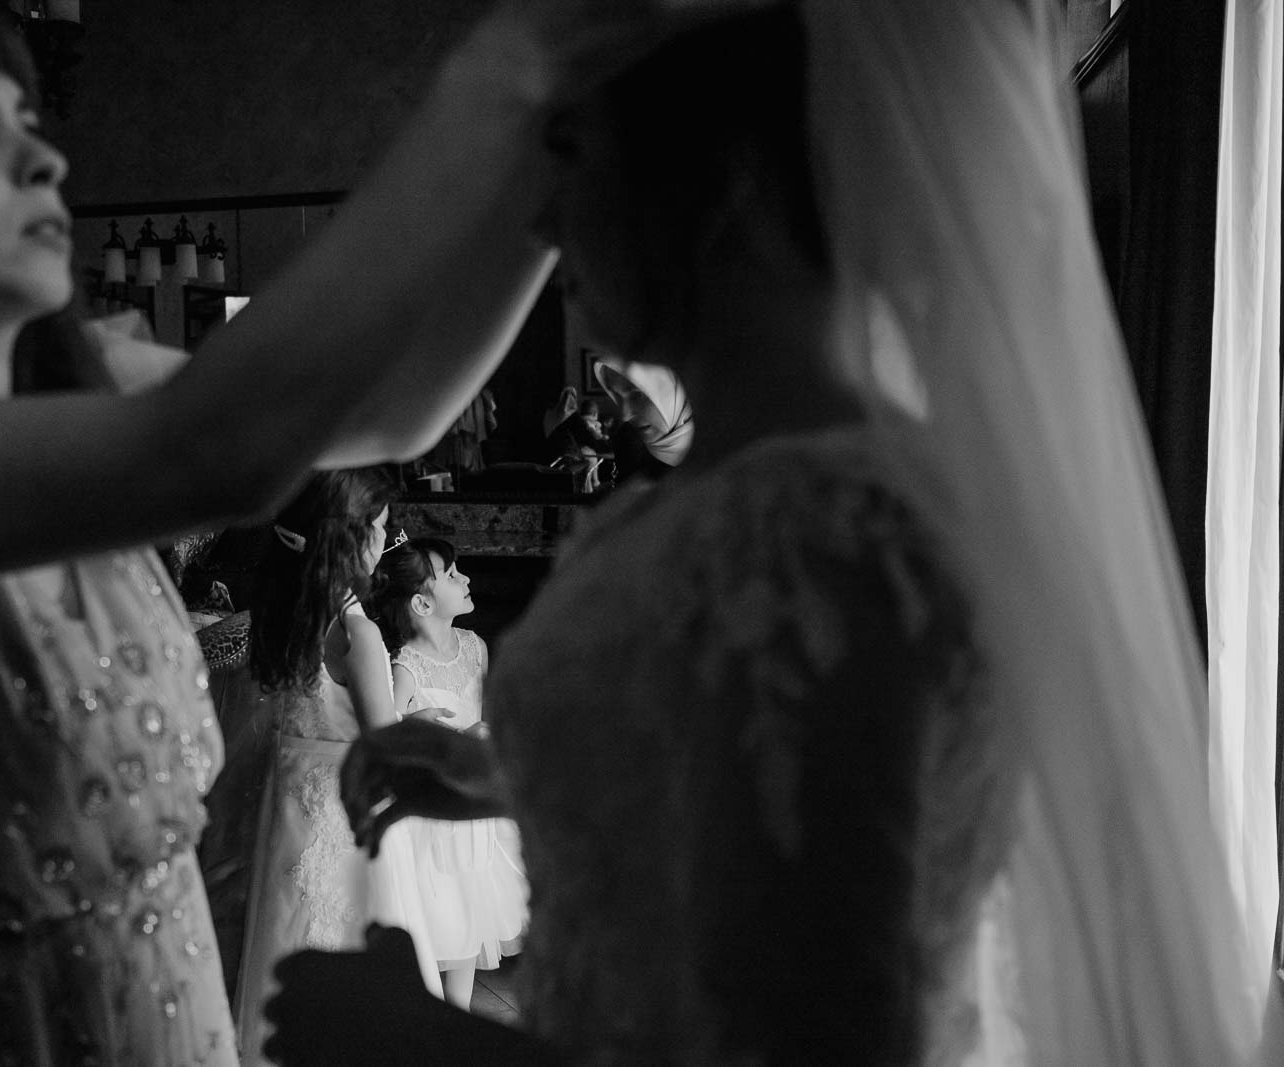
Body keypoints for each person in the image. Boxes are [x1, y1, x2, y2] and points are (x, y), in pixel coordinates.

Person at [0, 1, 761, 1063]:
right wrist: (509, 62)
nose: (43, 158)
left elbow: (392, 411)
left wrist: (552, 153)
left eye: (28, 116)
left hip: (173, 1005)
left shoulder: (80, 381)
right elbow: (210, 451)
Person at [264, 2, 1275, 1064]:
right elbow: (732, 799)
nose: (547, 223)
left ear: (721, 180)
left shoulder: (832, 540)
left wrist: (424, 1042)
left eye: (571, 151)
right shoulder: (740, 509)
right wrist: (492, 775)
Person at [232, 469, 443, 1065]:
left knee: (281, 940)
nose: (386, 539)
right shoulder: (359, 633)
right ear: (350, 539)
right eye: (379, 528)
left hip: (284, 811)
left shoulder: (280, 615)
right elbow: (385, 743)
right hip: (342, 815)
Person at [367, 536, 528, 1011]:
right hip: (434, 812)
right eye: (454, 575)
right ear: (422, 602)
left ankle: (457, 1007)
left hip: (473, 804)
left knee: (473, 904)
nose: (467, 578)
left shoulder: (474, 647)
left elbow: (491, 707)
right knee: (442, 910)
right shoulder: (406, 666)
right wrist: (413, 725)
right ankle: (431, 1005)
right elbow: (385, 731)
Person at [592, 358, 692, 484]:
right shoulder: (627, 439)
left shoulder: (717, 449)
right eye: (617, 396)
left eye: (637, 395)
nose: (625, 415)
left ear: (674, 391)